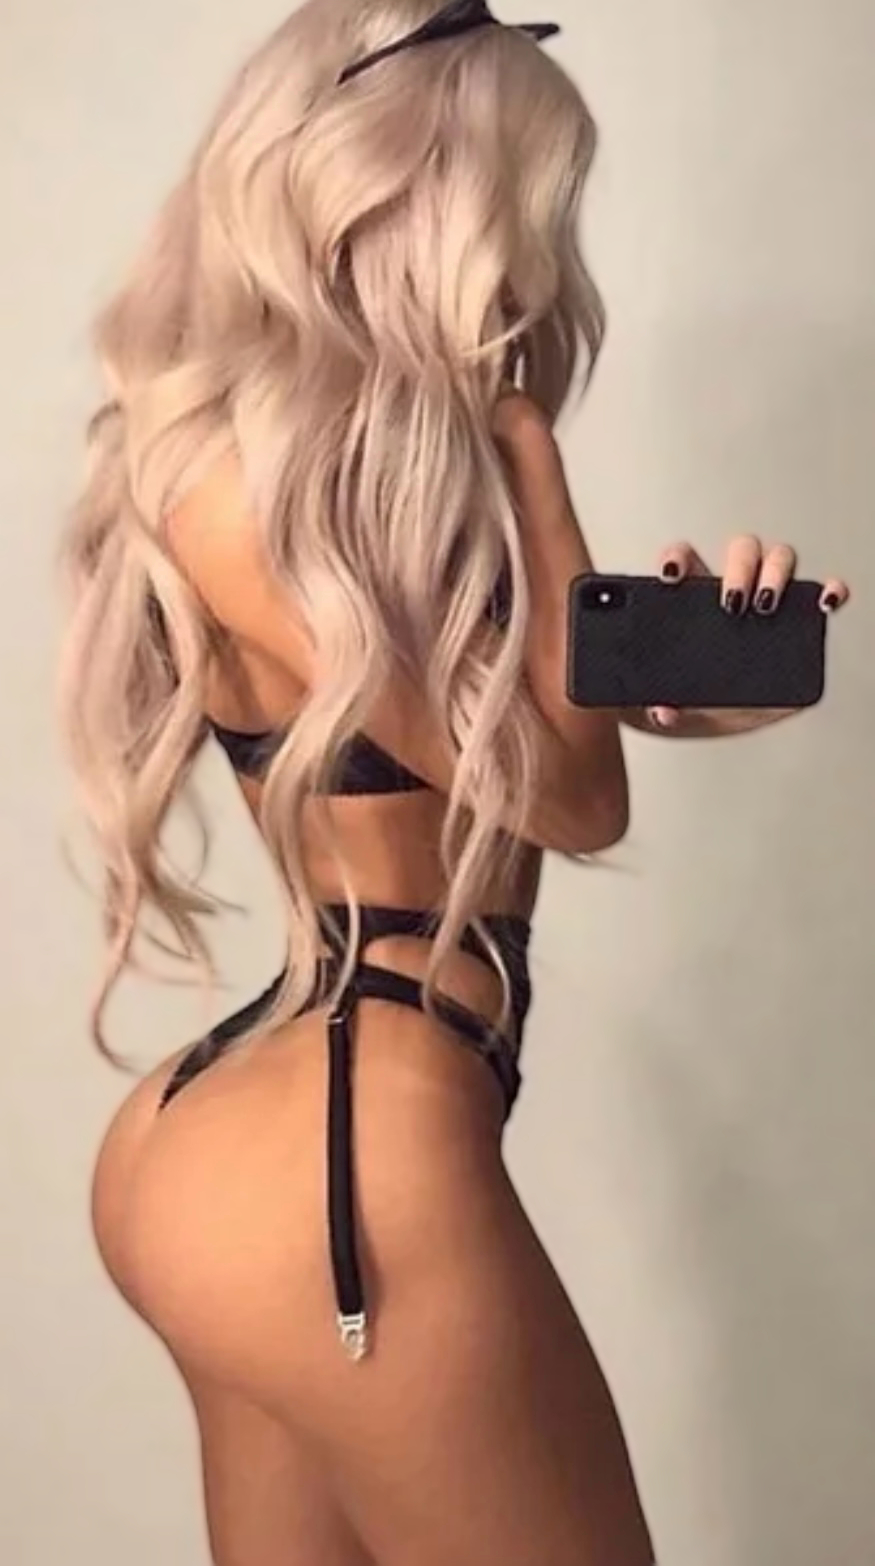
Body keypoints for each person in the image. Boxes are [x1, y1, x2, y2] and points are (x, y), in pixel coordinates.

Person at [58, 3, 850, 1563]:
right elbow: (573, 800)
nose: (536, 265)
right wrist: (538, 471)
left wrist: (689, 689)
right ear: (415, 194)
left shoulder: (321, 492)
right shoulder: (224, 478)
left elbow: (471, 754)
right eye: (522, 207)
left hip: (277, 1142)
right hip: (341, 1172)